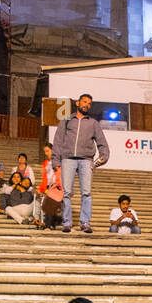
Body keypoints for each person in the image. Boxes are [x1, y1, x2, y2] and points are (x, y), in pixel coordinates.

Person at [51, 93, 110, 233]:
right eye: (84, 102)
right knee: (66, 193)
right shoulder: (66, 120)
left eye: (89, 103)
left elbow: (102, 143)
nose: (86, 105)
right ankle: (67, 222)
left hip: (86, 160)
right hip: (67, 159)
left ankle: (85, 223)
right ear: (77, 103)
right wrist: (56, 162)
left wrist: (102, 158)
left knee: (87, 193)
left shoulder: (93, 123)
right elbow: (58, 141)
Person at [36, 142, 62, 231]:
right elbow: (45, 178)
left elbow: (59, 175)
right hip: (49, 187)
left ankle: (49, 224)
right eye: (45, 152)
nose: (46, 153)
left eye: (47, 151)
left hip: (57, 186)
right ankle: (49, 224)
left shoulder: (59, 161)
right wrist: (41, 188)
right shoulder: (46, 163)